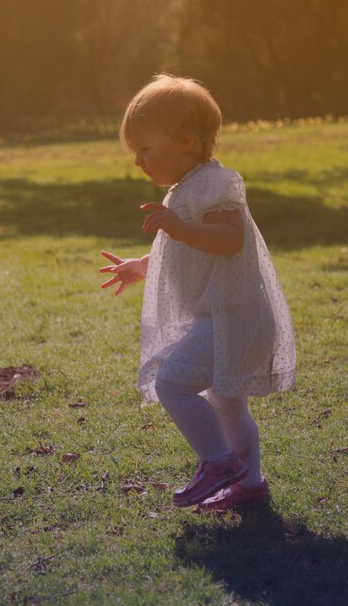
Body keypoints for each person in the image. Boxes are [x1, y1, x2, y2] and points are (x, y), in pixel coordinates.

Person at [100, 74, 296, 512]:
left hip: (232, 318)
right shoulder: (186, 189)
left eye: (145, 150)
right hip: (230, 316)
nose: (138, 162)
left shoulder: (214, 184)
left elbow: (229, 240)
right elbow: (190, 252)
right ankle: (249, 483)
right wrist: (144, 265)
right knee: (226, 403)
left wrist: (180, 227)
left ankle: (217, 462)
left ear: (185, 139)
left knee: (172, 385)